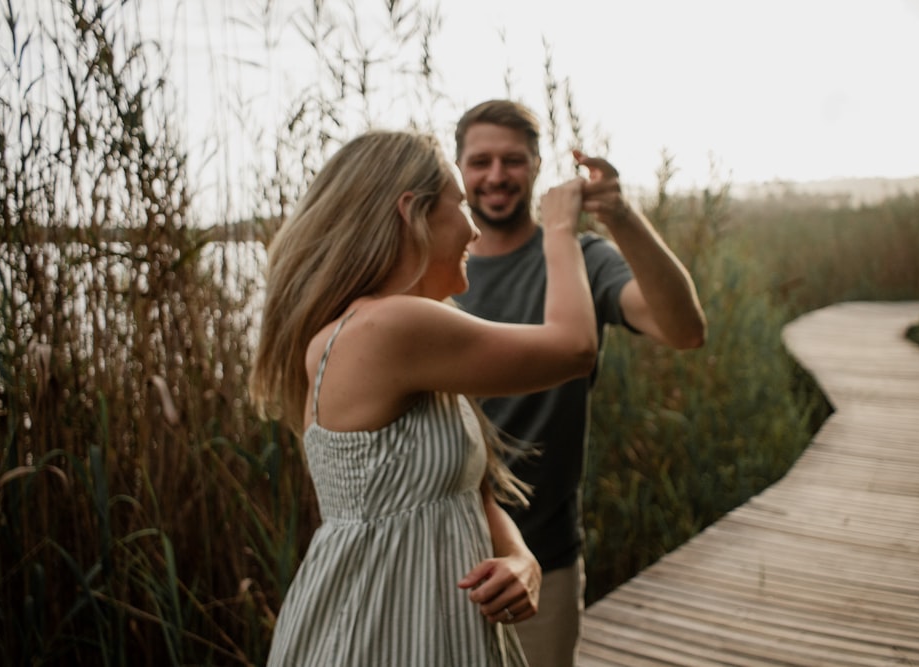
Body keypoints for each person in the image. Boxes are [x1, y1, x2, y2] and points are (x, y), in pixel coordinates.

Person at [248, 129, 601, 666]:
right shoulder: (385, 328)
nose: (474, 229)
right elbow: (575, 349)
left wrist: (520, 558)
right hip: (375, 634)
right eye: (461, 204)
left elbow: (469, 491)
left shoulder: (400, 335)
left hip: (439, 629)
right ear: (412, 211)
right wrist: (559, 230)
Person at [453, 100, 707, 667]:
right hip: (441, 555)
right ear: (459, 169)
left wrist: (621, 215)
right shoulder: (436, 267)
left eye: (513, 160)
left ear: (539, 166)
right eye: (481, 161)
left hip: (547, 557)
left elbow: (685, 330)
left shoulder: (579, 257)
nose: (496, 175)